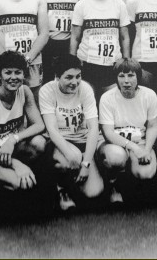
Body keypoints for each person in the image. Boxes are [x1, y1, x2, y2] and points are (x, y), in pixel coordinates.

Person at [39, 55, 103, 210]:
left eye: (78, 76)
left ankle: (77, 179)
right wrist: (72, 156)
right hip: (61, 142)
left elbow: (93, 127)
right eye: (68, 77)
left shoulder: (85, 88)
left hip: (82, 140)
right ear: (57, 77)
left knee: (94, 192)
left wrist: (86, 164)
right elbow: (52, 129)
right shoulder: (47, 90)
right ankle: (61, 188)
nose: (74, 82)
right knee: (70, 159)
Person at [0, 51, 46, 190]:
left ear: (24, 74)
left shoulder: (24, 91)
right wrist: (15, 164)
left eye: (18, 72)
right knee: (20, 184)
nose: (13, 77)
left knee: (39, 142)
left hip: (13, 147)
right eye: (8, 73)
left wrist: (13, 139)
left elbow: (39, 125)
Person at [98, 58, 157, 204]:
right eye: (121, 76)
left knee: (145, 173)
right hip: (113, 144)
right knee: (115, 157)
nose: (126, 81)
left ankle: (132, 185)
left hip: (140, 141)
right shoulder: (107, 98)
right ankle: (114, 185)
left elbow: (152, 126)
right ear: (116, 78)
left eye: (131, 75)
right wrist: (133, 148)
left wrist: (147, 149)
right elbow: (108, 132)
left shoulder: (149, 95)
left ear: (138, 77)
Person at [69, 0, 131, 103]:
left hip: (112, 65)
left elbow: (124, 37)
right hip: (87, 64)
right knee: (88, 105)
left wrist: (125, 62)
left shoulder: (119, 4)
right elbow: (75, 37)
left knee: (111, 105)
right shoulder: (82, 5)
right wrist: (71, 62)